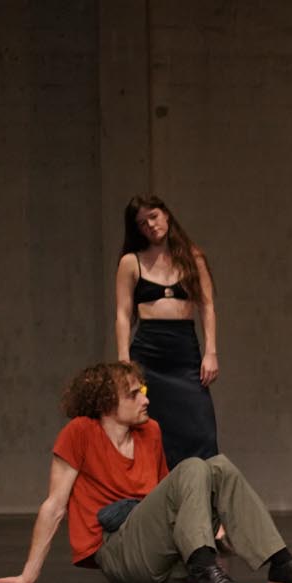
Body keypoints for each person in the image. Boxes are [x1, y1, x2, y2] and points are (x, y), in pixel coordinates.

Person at [0, 361, 292, 583]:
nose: (146, 399)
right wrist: (28, 575)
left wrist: (217, 526)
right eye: (133, 394)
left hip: (161, 556)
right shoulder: (80, 432)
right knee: (194, 466)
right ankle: (203, 569)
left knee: (218, 466)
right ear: (106, 404)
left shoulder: (149, 431)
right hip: (120, 555)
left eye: (143, 390)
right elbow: (54, 505)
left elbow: (171, 498)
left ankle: (280, 563)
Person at [114, 195, 219, 470]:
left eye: (153, 216)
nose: (150, 225)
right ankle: (160, 492)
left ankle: (204, 491)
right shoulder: (131, 262)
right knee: (152, 430)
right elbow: (123, 314)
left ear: (166, 214)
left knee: (202, 430)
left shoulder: (193, 258)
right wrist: (124, 362)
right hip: (148, 354)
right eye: (142, 223)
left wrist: (211, 352)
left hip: (185, 352)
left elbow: (207, 306)